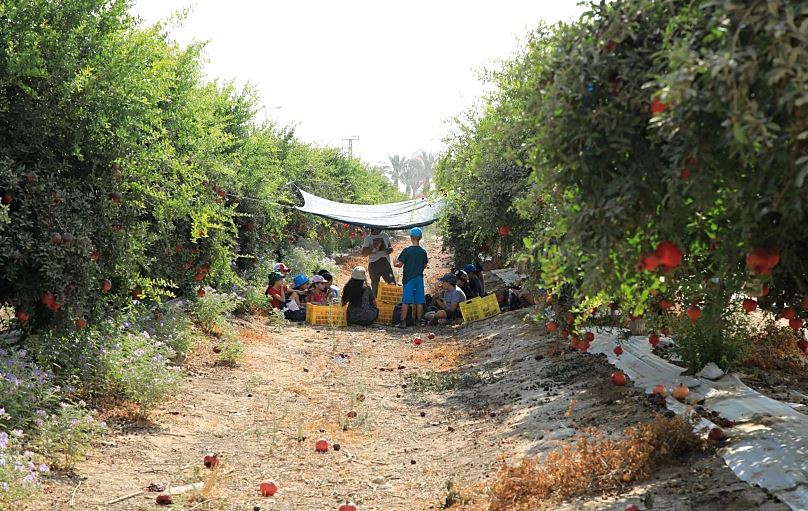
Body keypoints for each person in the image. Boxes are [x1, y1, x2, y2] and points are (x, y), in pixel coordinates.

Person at [394, 227, 428, 328]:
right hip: (418, 278)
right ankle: (418, 321)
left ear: (411, 237)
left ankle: (403, 322)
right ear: (420, 238)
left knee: (406, 301)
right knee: (419, 300)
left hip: (408, 279)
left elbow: (399, 264)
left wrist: (395, 263)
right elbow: (424, 265)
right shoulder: (423, 252)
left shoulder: (407, 251)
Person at [361, 228, 396, 297]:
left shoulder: (385, 235)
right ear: (374, 227)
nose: (380, 229)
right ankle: (376, 303)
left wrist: (390, 250)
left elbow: (390, 247)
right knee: (375, 285)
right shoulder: (368, 238)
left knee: (392, 283)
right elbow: (364, 254)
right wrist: (372, 249)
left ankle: (392, 300)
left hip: (385, 262)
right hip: (374, 263)